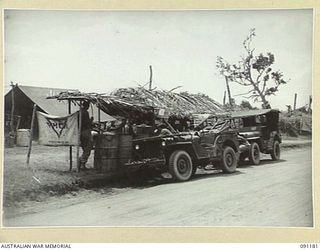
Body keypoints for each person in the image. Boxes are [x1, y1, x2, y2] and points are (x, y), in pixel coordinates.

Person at [79, 101, 93, 170]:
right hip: (86, 132)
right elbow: (87, 123)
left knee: (85, 148)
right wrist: (91, 121)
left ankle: (81, 162)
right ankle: (82, 162)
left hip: (80, 132)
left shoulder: (79, 112)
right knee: (88, 148)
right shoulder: (85, 112)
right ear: (87, 106)